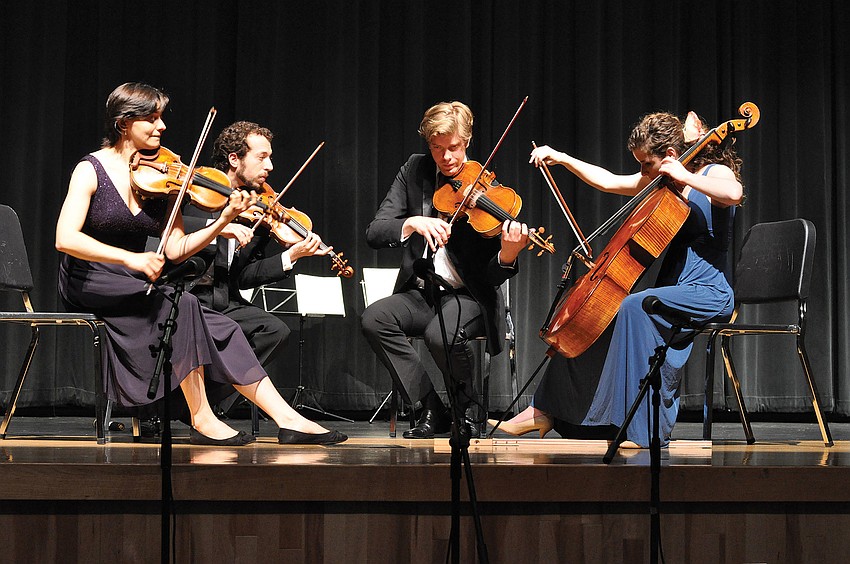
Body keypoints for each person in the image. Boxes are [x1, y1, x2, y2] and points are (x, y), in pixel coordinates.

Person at [55, 82, 346, 446]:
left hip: (135, 279)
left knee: (224, 327)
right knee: (184, 304)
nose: (162, 126)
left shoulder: (161, 177)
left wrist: (221, 222)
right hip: (89, 277)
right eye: (152, 118)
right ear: (124, 122)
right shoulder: (91, 169)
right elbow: (65, 239)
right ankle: (202, 417)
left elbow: (177, 249)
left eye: (161, 118)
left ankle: (288, 419)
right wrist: (130, 257)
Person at [493, 110, 743, 448]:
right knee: (600, 315)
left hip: (709, 292)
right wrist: (562, 158)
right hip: (673, 290)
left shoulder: (713, 172)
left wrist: (685, 175)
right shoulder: (663, 183)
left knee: (635, 306)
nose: (643, 172)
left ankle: (644, 430)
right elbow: (609, 180)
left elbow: (733, 193)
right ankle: (544, 409)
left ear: (670, 155)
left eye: (646, 163)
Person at [360, 101, 530, 439]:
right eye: (437, 148)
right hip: (422, 292)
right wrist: (412, 222)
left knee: (441, 334)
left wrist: (508, 254)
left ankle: (466, 410)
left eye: (453, 147)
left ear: (466, 141)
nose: (446, 157)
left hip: (469, 297)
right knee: (374, 319)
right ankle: (431, 407)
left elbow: (491, 276)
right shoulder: (414, 170)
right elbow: (375, 231)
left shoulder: (487, 190)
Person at [181, 121, 330, 414]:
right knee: (222, 329)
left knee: (274, 330)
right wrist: (219, 226)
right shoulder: (199, 193)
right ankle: (194, 407)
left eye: (270, 157)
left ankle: (199, 404)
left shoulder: (259, 213)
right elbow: (172, 234)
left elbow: (244, 276)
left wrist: (291, 256)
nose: (270, 166)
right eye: (262, 157)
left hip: (223, 298)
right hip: (189, 295)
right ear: (234, 159)